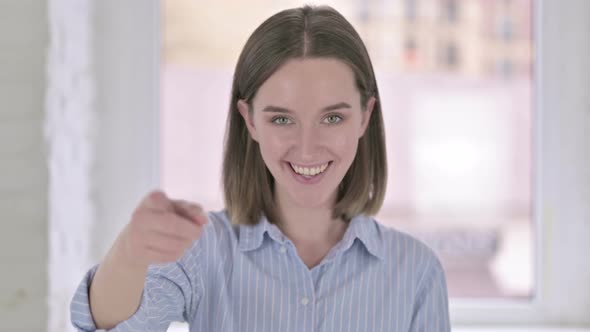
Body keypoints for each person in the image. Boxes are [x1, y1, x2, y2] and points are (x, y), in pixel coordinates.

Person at [70, 5, 450, 332]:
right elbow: (107, 326)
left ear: (365, 116)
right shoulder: (204, 251)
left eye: (332, 118)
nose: (307, 147)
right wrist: (131, 253)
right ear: (249, 120)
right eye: (282, 120)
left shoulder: (415, 272)